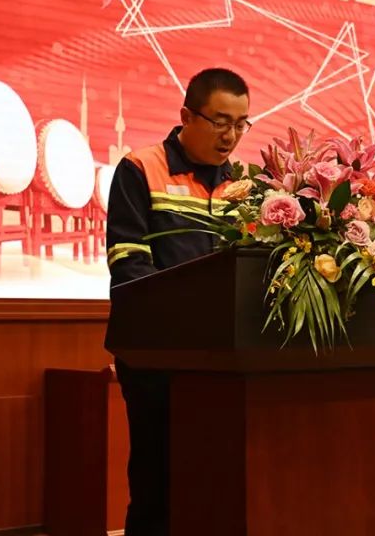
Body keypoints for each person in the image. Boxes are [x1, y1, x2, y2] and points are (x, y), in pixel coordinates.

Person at [105, 67, 251, 536]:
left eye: (241, 124)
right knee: (158, 481)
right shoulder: (140, 168)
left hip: (224, 360)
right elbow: (129, 265)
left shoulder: (245, 186)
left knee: (216, 483)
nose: (231, 136)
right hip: (155, 356)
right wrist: (184, 324)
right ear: (187, 116)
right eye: (220, 121)